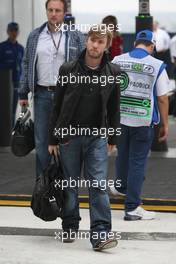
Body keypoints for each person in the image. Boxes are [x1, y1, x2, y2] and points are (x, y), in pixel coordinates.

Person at [48, 25, 121, 250]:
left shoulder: (114, 72)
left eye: (100, 42)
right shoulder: (68, 69)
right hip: (69, 136)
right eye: (92, 40)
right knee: (70, 183)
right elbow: (57, 105)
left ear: (107, 45)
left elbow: (114, 107)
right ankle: (70, 224)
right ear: (86, 41)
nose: (95, 45)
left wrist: (113, 138)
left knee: (98, 185)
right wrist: (53, 138)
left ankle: (100, 234)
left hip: (97, 136)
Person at [18, 0, 85, 179]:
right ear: (46, 11)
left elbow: (83, 66)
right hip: (42, 95)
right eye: (50, 10)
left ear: (64, 13)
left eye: (58, 10)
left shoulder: (76, 36)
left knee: (66, 142)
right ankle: (43, 187)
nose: (54, 14)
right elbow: (26, 64)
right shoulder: (34, 36)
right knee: (42, 144)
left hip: (67, 97)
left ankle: (65, 187)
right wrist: (23, 92)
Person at [111, 30, 169, 220]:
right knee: (137, 162)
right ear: (151, 46)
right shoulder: (157, 65)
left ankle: (120, 186)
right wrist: (164, 124)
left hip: (121, 119)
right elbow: (161, 98)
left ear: (136, 43)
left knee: (122, 155)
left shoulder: (117, 60)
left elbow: (109, 91)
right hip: (143, 122)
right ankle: (132, 207)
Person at [0, 22, 24, 126]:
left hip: (16, 83)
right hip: (4, 84)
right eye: (11, 30)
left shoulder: (20, 48)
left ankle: (10, 135)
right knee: (4, 109)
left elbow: (22, 66)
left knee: (13, 110)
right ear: (8, 32)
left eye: (15, 30)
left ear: (18, 32)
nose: (14, 33)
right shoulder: (2, 47)